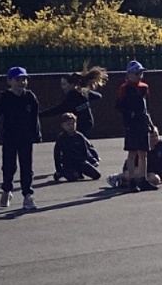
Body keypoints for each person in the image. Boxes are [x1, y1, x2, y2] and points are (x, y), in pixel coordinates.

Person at [0, 65, 43, 210]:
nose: (22, 82)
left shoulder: (30, 97)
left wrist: (37, 133)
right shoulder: (4, 98)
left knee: (27, 167)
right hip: (10, 137)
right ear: (9, 81)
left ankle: (27, 195)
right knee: (9, 166)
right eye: (18, 79)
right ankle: (7, 190)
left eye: (24, 79)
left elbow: (35, 117)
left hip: (26, 137)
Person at [115, 60, 154, 192]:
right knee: (132, 152)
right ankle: (131, 180)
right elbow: (119, 106)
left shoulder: (144, 87)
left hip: (142, 123)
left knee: (143, 152)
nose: (139, 76)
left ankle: (143, 179)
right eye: (136, 73)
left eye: (141, 73)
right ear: (129, 74)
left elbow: (146, 108)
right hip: (132, 125)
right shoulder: (124, 88)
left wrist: (150, 124)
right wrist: (129, 115)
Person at [39, 65, 107, 136]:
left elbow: (57, 109)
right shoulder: (83, 93)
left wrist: (40, 114)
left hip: (80, 127)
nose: (62, 87)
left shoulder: (72, 98)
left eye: (64, 84)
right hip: (88, 124)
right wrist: (85, 90)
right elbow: (98, 96)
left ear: (72, 85)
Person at [52, 113, 102, 181]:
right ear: (63, 125)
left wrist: (91, 160)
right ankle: (62, 173)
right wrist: (58, 168)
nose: (71, 126)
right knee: (74, 178)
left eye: (73, 124)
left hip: (81, 162)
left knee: (97, 175)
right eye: (68, 124)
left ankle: (79, 171)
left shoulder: (79, 136)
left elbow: (86, 150)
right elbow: (57, 154)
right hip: (68, 163)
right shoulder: (61, 138)